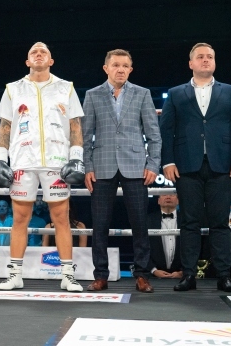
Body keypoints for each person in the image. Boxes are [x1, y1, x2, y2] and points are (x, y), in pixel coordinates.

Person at [0, 42, 84, 292]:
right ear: (27, 61)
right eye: (34, 52)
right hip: (23, 160)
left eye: (44, 52)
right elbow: (5, 126)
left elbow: (75, 124)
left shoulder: (66, 87)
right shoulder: (13, 89)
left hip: (57, 161)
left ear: (51, 61)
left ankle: (68, 275)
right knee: (20, 218)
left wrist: (77, 156)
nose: (39, 54)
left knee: (61, 218)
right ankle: (14, 275)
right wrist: (0, 159)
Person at [160, 43, 231, 292]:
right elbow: (166, 130)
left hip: (222, 166)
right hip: (186, 166)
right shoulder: (176, 93)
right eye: (200, 57)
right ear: (191, 63)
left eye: (210, 56)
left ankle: (223, 275)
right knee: (189, 222)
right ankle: (188, 275)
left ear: (215, 62)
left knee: (221, 223)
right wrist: (167, 161)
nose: (206, 60)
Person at [82, 49, 161, 293]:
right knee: (100, 225)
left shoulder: (142, 94)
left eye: (125, 65)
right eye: (116, 65)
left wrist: (152, 164)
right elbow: (85, 137)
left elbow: (153, 134)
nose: (120, 69)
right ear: (106, 68)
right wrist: (88, 167)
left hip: (136, 166)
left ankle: (141, 275)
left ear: (130, 69)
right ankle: (100, 275)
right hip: (102, 166)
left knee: (140, 223)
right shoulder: (92, 95)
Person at [146, 194, 182, 278]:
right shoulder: (147, 220)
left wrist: (183, 271)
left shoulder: (187, 220)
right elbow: (142, 247)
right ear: (158, 201)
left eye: (172, 195)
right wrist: (153, 270)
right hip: (153, 277)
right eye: (164, 194)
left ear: (178, 201)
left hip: (182, 276)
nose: (168, 197)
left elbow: (193, 247)